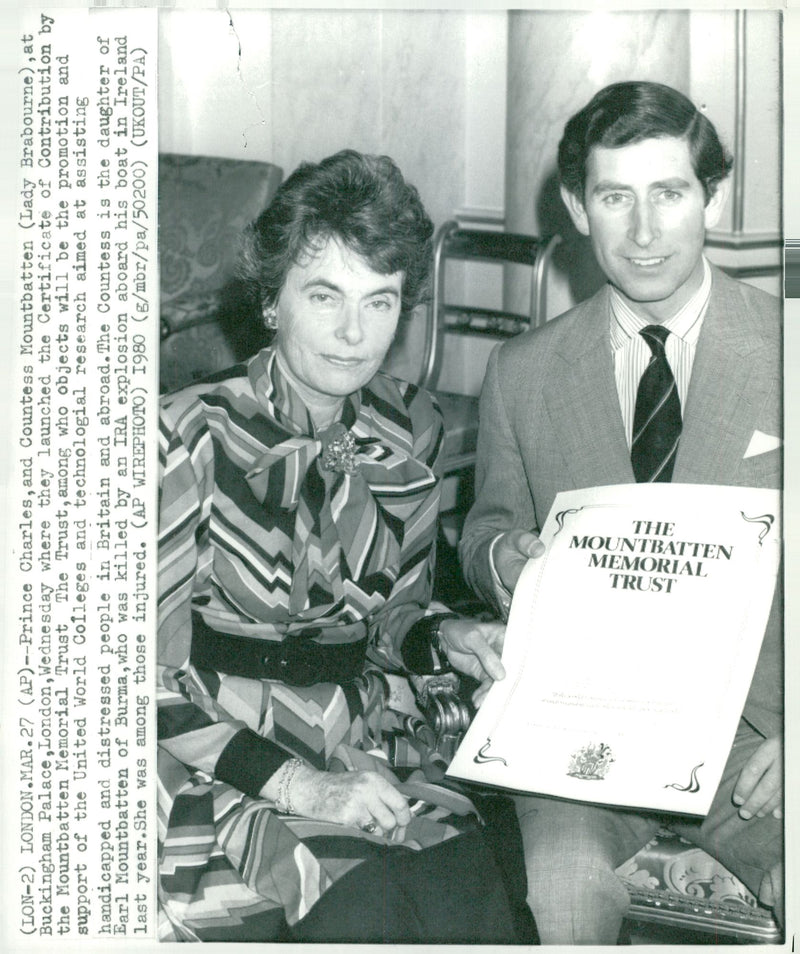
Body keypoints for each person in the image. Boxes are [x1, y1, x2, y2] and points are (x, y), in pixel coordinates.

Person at [156, 149, 534, 943]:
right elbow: (127, 676)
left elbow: (391, 620)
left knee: (484, 886)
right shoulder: (182, 436)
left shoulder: (412, 431)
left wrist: (446, 634)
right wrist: (297, 785)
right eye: (324, 295)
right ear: (271, 302)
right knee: (364, 907)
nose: (354, 334)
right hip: (212, 753)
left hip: (357, 735)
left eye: (381, 301)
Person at [459, 81, 783, 943]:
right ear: (577, 206)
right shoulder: (522, 372)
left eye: (669, 194)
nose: (644, 233)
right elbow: (483, 530)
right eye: (615, 198)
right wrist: (505, 562)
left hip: (761, 741)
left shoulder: (786, 351)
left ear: (709, 197)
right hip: (580, 743)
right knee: (561, 896)